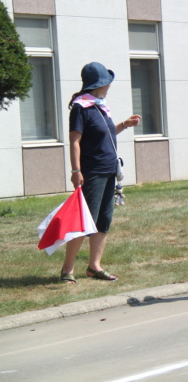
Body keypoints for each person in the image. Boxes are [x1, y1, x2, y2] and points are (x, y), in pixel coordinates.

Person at [60, 62, 142, 284]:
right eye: (107, 81)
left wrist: (124, 125)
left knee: (103, 220)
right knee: (83, 221)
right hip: (92, 172)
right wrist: (76, 170)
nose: (110, 85)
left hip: (108, 170)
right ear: (101, 84)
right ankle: (67, 269)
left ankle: (94, 266)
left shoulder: (99, 106)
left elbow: (104, 135)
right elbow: (75, 142)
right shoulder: (81, 108)